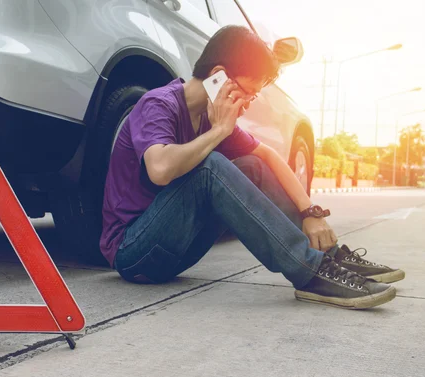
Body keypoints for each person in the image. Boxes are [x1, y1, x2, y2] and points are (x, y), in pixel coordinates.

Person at [99, 25, 404, 309]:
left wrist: (311, 213)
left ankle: (328, 253)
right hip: (134, 253)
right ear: (218, 77)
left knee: (252, 165)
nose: (246, 105)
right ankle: (311, 273)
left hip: (175, 247)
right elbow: (160, 169)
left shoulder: (211, 118)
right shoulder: (158, 104)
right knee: (211, 167)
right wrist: (217, 132)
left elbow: (270, 157)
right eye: (246, 93)